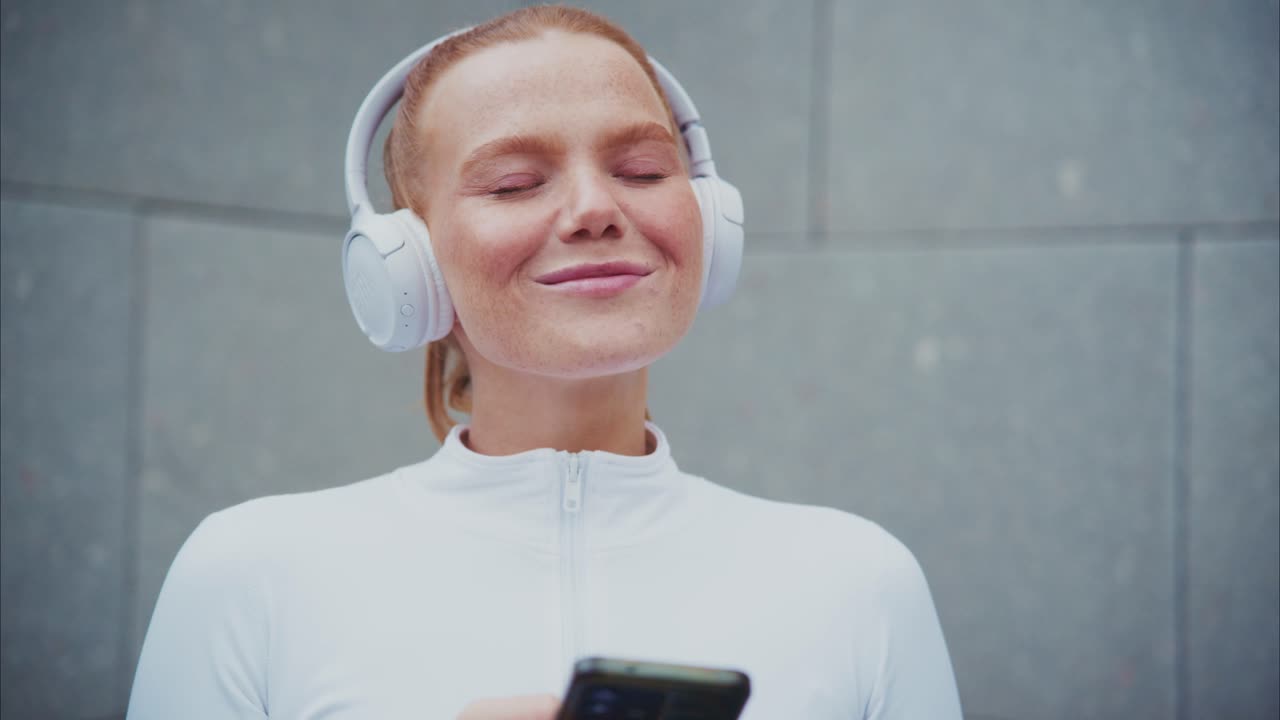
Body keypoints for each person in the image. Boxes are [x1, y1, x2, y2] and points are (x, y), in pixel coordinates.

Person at [126, 5, 962, 719]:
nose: (596, 208)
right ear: (405, 261)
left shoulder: (858, 583)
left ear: (708, 218)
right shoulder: (250, 574)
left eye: (641, 169)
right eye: (515, 183)